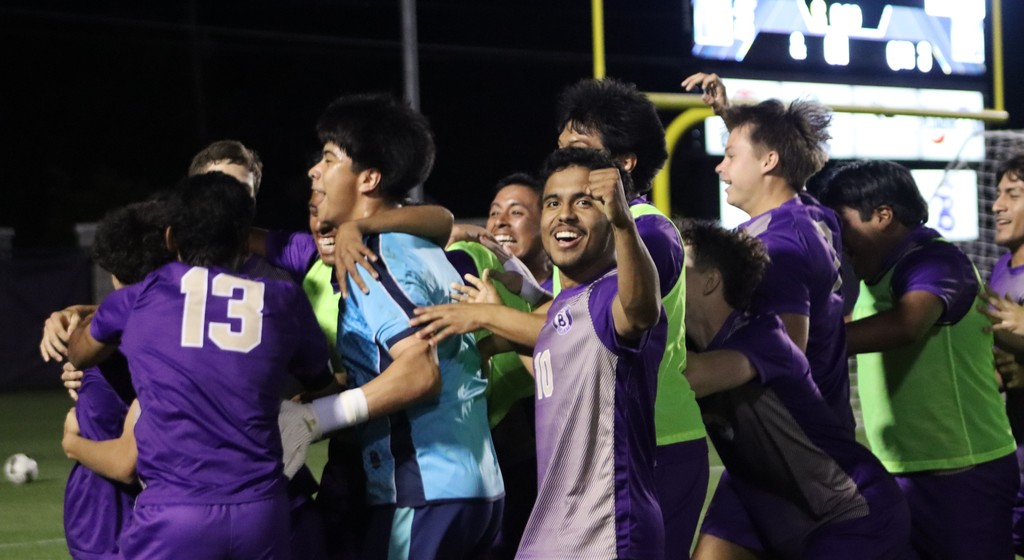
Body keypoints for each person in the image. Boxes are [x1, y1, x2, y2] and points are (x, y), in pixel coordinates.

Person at [279, 93, 504, 559]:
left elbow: (420, 373)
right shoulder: (415, 244)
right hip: (469, 487)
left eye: (328, 158)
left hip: (426, 491)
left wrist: (315, 419)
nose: (313, 172)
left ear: (370, 177)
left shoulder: (373, 255)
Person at [66, 173, 335, 560]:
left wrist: (77, 322)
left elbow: (80, 353)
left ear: (171, 237)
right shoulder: (283, 299)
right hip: (261, 511)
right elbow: (321, 380)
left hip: (175, 512)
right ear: (246, 240)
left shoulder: (141, 297)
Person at [818, 159, 1017, 560]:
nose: (837, 236)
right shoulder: (877, 273)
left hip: (963, 470)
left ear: (883, 216)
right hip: (903, 470)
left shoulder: (936, 260)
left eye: (841, 221)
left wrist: (805, 345)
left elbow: (907, 324)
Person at [680, 220, 914, 560]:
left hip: (850, 512)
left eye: (677, 265)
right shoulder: (695, 345)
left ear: (711, 280)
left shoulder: (763, 335)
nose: (666, 275)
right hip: (771, 504)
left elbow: (692, 379)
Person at [556, 77, 709, 553]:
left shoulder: (650, 231)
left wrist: (486, 318)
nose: (563, 161)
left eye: (579, 149)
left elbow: (594, 327)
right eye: (562, 148)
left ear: (624, 163)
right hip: (603, 445)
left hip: (658, 442)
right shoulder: (580, 229)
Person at [681, 72, 855, 435]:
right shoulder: (810, 213)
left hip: (799, 446)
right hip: (809, 432)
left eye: (730, 156)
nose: (720, 166)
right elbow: (775, 153)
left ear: (768, 162)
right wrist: (729, 114)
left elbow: (788, 350)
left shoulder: (781, 246)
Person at [59, 201, 171, 560]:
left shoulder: (99, 339)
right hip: (119, 511)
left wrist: (72, 442)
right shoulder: (169, 334)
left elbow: (125, 462)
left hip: (101, 511)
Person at [986, 152, 1024, 556]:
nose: (997, 205)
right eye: (998, 194)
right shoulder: (1001, 267)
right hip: (1010, 448)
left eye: (1012, 194)